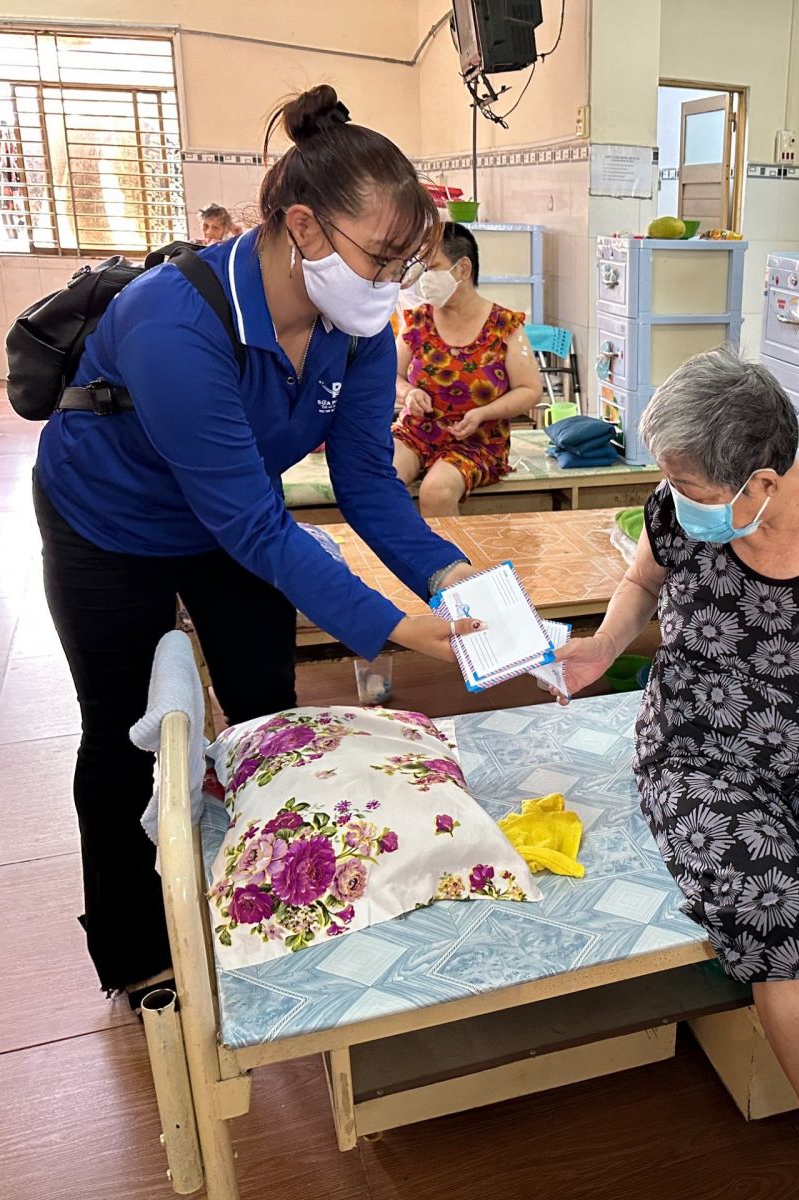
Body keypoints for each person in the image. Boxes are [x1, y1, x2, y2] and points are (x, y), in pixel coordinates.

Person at [32, 85, 482, 1006]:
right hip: (108, 523)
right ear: (304, 227)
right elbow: (254, 525)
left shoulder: (355, 326)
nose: (394, 284)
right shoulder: (173, 321)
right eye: (383, 258)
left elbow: (366, 484)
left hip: (230, 521)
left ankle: (273, 894)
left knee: (269, 714)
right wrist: (400, 630)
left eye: (408, 264)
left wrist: (454, 578)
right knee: (124, 733)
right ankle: (135, 950)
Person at [549, 348, 799, 1200]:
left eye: (690, 486)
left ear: (761, 482)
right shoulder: (680, 508)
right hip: (697, 751)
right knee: (784, 930)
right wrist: (602, 646)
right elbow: (642, 580)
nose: (673, 498)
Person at [390, 222, 541, 516]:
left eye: (433, 268)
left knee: (436, 491)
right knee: (381, 481)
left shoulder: (503, 325)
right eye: (422, 269)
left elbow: (530, 389)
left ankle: (447, 549)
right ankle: (399, 546)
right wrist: (408, 393)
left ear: (463, 269)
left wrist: (483, 413)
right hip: (416, 433)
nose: (425, 279)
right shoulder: (419, 320)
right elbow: (391, 374)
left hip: (477, 441)